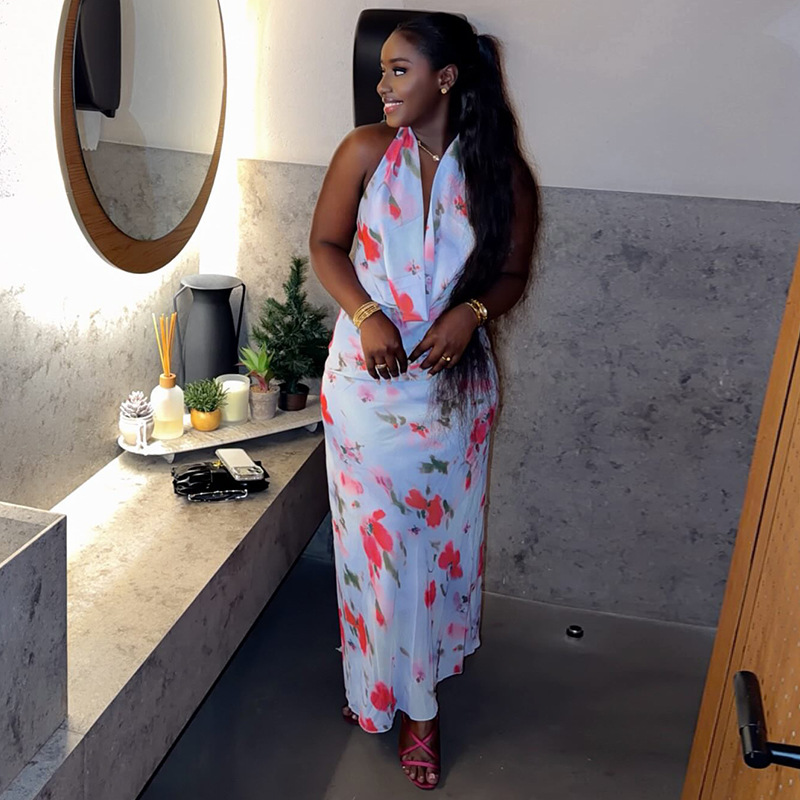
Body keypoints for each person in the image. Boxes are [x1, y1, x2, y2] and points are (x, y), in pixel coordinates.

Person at [309, 12, 541, 790]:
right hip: (365, 393)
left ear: (446, 78)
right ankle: (380, 687)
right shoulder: (364, 151)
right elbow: (325, 245)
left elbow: (511, 274)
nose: (381, 83)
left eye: (399, 69)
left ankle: (418, 705)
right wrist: (367, 314)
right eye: (381, 69)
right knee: (376, 552)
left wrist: (470, 313)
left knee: (433, 552)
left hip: (451, 396)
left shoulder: (501, 173)